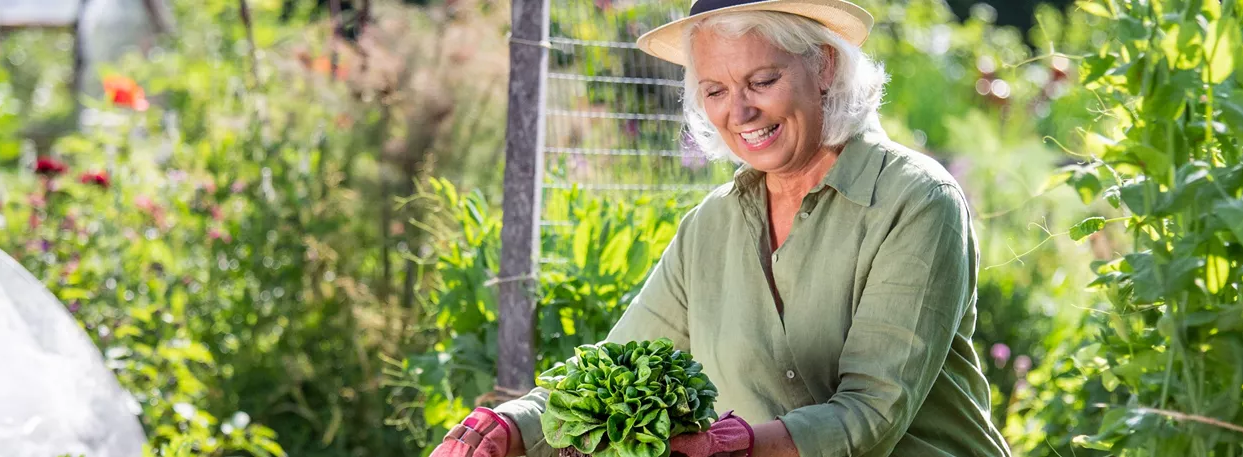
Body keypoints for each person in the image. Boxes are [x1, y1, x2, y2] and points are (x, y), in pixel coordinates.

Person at [431, 0, 1012, 455]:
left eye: (762, 81)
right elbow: (616, 370)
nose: (739, 111)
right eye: (715, 90)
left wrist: (730, 446)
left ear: (825, 67)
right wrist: (510, 426)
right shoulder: (710, 228)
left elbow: (871, 415)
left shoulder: (915, 201)